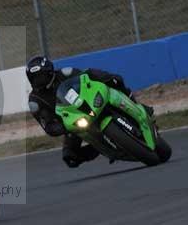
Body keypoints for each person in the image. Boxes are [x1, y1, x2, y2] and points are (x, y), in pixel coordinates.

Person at [25, 56, 153, 168]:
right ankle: (103, 148)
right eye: (35, 78)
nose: (39, 81)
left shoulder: (66, 73)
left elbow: (88, 75)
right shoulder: (35, 102)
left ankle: (138, 107)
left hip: (91, 103)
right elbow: (48, 126)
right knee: (70, 157)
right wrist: (65, 126)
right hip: (75, 121)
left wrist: (105, 77)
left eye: (41, 76)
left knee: (116, 80)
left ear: (49, 72)